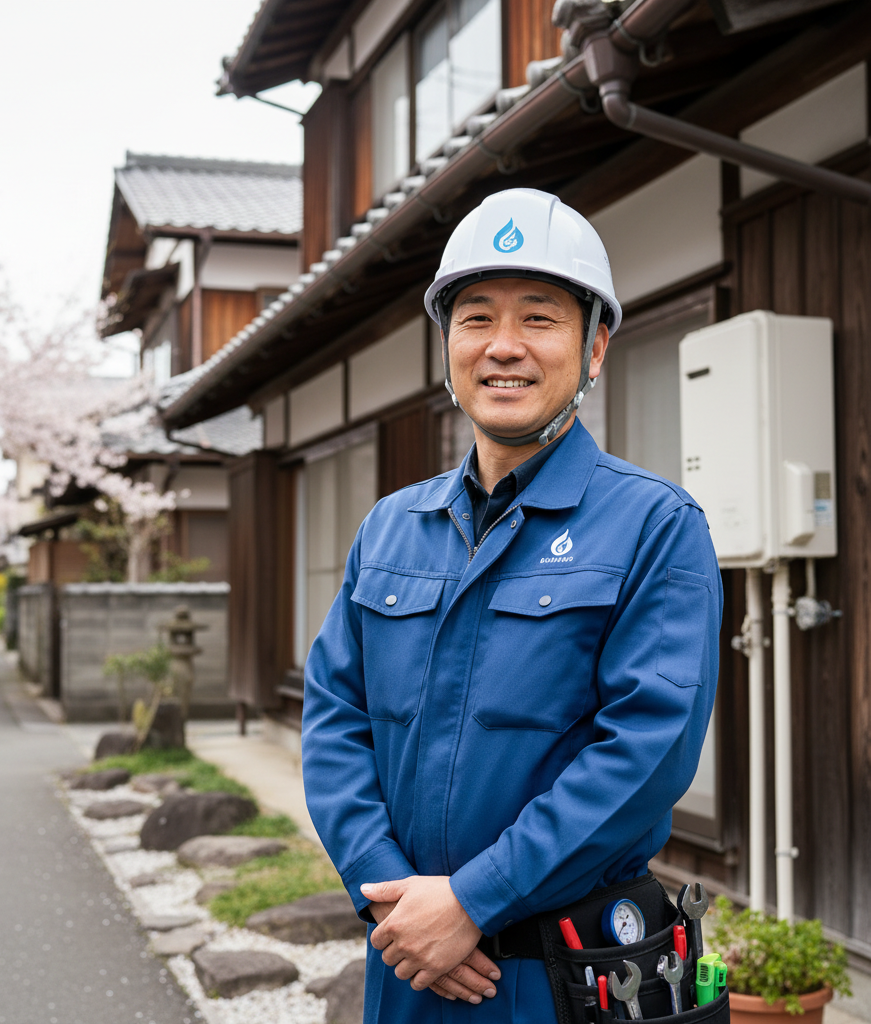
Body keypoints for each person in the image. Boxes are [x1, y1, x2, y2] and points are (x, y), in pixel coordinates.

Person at [301, 188, 722, 1023]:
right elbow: (333, 718)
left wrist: (472, 901)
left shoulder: (655, 526)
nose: (503, 347)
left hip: (568, 974)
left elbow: (645, 752)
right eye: (476, 318)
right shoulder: (392, 527)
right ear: (447, 346)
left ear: (595, 346)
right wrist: (393, 897)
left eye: (540, 318)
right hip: (407, 964)